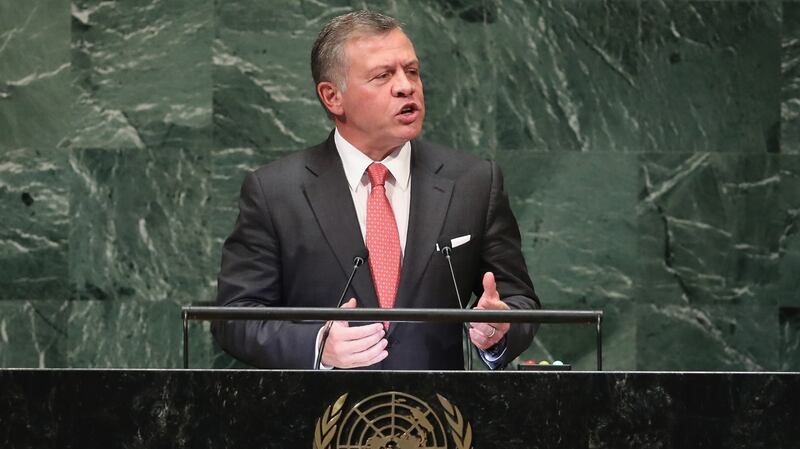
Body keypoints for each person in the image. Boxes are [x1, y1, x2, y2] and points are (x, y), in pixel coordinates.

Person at [212, 10, 540, 370]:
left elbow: (518, 299)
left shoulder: (474, 182)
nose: (406, 86)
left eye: (411, 71)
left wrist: (500, 327)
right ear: (332, 97)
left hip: (439, 417)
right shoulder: (275, 192)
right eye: (383, 75)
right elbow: (234, 318)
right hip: (321, 417)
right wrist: (318, 344)